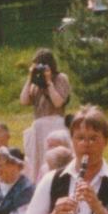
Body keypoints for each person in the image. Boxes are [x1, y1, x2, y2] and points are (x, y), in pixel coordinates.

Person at [20, 48, 71, 185]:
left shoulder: (60, 79)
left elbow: (58, 102)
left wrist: (49, 82)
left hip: (55, 124)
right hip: (39, 125)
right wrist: (30, 78)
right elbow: (24, 101)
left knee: (55, 159)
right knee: (37, 163)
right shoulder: (35, 82)